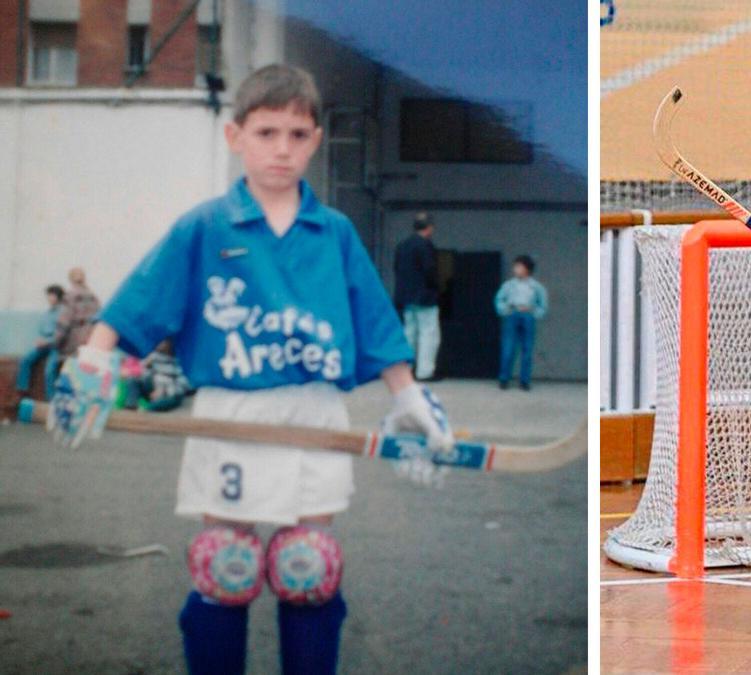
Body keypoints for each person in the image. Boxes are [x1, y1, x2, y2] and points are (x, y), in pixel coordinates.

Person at [45, 64, 453, 675]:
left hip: (315, 411)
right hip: (230, 414)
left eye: (296, 134)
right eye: (266, 133)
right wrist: (94, 360)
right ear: (236, 136)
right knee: (224, 564)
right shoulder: (205, 225)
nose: (281, 149)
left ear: (315, 139)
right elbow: (142, 297)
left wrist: (409, 399)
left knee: (308, 566)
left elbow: (374, 322)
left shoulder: (334, 232)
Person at [392, 211, 441, 380]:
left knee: (409, 333)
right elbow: (430, 271)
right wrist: (436, 288)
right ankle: (425, 372)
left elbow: (396, 269)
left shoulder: (402, 245)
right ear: (429, 228)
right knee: (428, 334)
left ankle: (407, 370)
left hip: (406, 297)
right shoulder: (426, 245)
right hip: (425, 297)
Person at [494, 254, 548, 391]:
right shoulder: (509, 285)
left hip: (528, 316)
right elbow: (499, 299)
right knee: (508, 348)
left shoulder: (536, 287)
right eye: (515, 266)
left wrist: (535, 312)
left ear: (527, 269)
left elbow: (543, 305)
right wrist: (505, 310)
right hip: (512, 314)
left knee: (527, 349)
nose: (516, 269)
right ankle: (504, 378)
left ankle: (525, 380)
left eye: (519, 266)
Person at [16, 284, 64, 400]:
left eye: (52, 295)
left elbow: (62, 334)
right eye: (48, 295)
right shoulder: (47, 313)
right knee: (26, 360)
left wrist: (48, 341)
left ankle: (50, 399)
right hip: (43, 344)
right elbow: (42, 330)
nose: (49, 298)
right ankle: (22, 390)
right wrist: (40, 340)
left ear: (58, 297)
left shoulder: (62, 313)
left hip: (56, 346)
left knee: (49, 370)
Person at [55, 267, 100, 359]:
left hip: (75, 338)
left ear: (70, 279)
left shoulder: (70, 296)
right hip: (90, 336)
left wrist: (56, 340)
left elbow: (64, 321)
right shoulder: (93, 296)